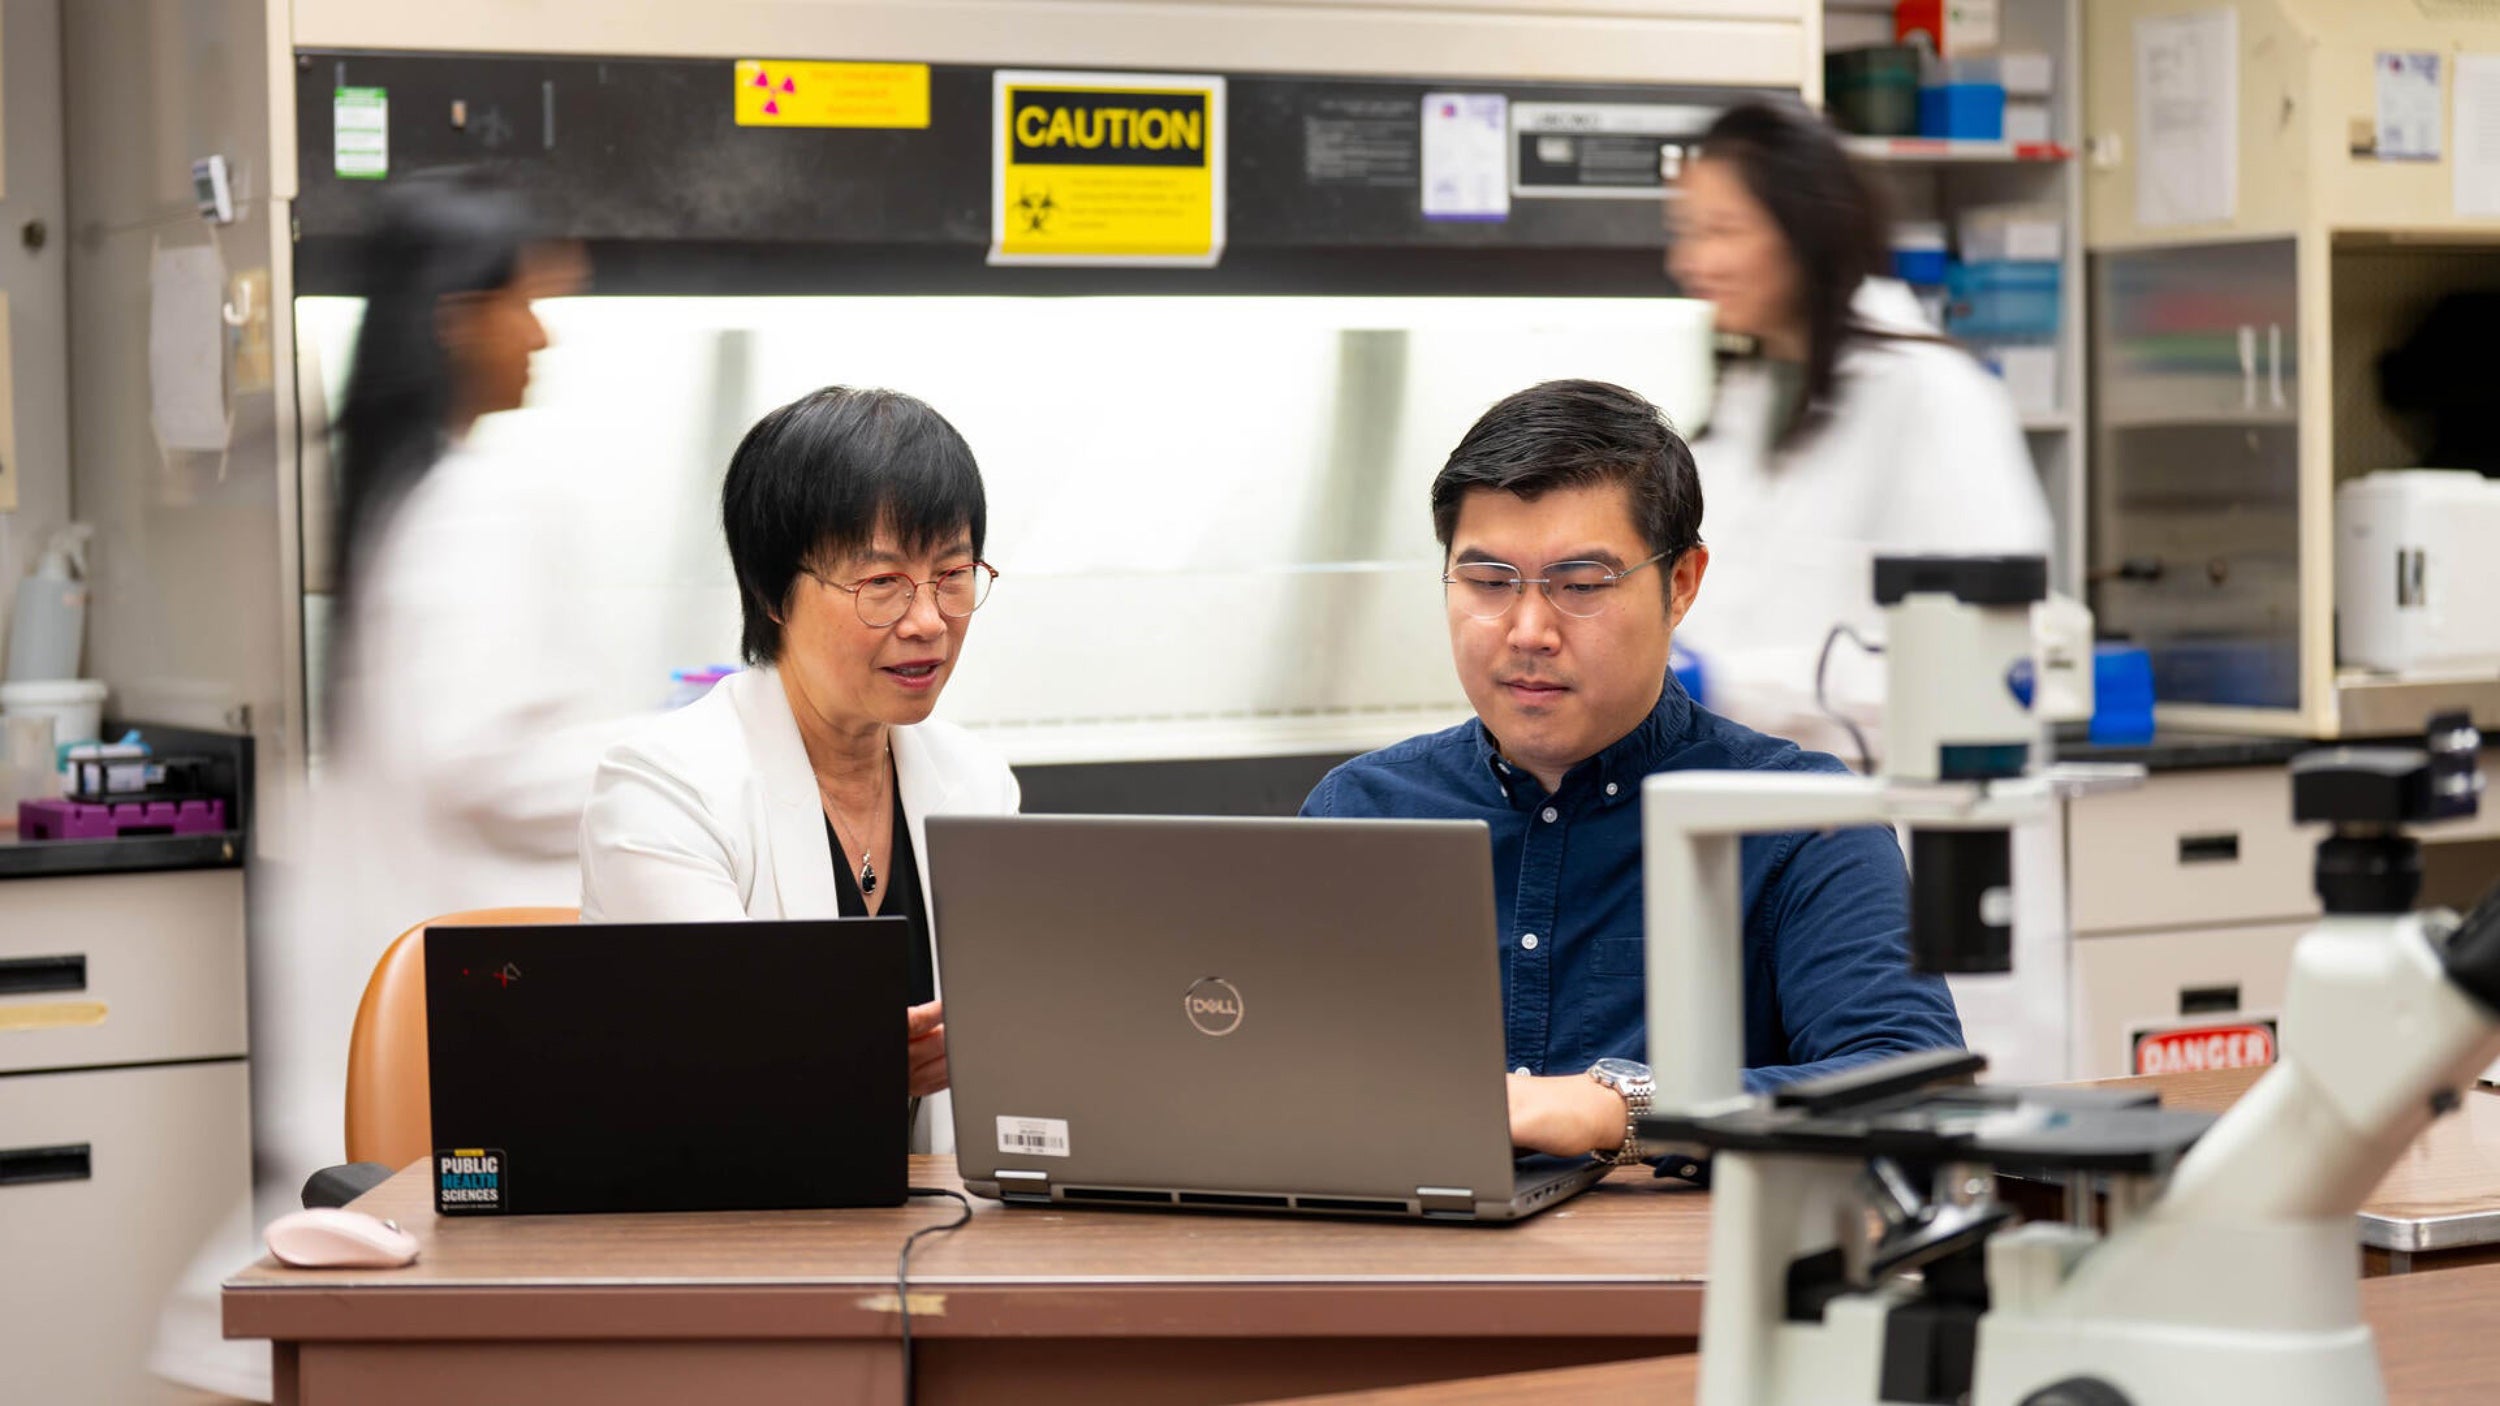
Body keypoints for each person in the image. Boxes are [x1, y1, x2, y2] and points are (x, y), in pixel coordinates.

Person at [157, 171, 630, 1403]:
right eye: (526, 303)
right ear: (457, 320)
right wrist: (672, 756)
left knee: (376, 1296)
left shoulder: (408, 496)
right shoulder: (478, 502)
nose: (542, 336)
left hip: (397, 980)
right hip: (443, 1000)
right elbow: (483, 757)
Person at [1301, 379, 1961, 1164]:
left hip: (1696, 1244)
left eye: (1582, 586)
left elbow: (1910, 1088)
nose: (1529, 630)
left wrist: (1622, 1109)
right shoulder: (1362, 813)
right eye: (1488, 583)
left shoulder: (1799, 822)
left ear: (1680, 585)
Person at [578, 386, 1018, 1154]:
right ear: (772, 592)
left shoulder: (977, 782)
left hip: (936, 1212)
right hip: (733, 1212)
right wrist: (861, 1068)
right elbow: (709, 1075)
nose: (928, 621)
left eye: (952, 574)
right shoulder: (662, 791)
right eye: (881, 584)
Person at [1666, 100, 2052, 764]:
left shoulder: (1931, 394)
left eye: (1722, 230)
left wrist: (1728, 686)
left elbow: (1992, 659)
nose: (1691, 261)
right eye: (1685, 232)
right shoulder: (1746, 399)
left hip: (1892, 808)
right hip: (1752, 797)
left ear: (1804, 229)